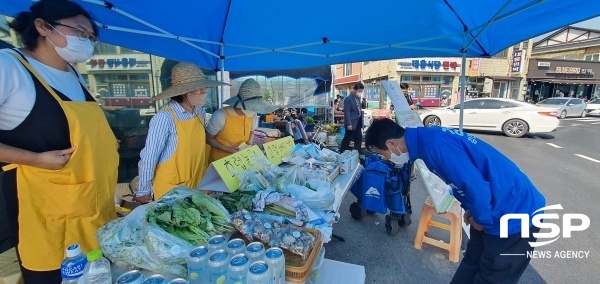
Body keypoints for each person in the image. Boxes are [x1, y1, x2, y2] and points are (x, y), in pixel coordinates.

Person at [0, 0, 118, 282]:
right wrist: (37, 159)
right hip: (47, 210)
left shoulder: (75, 75)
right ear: (42, 26)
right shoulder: (10, 66)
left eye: (90, 37)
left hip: (93, 206)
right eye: (79, 31)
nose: (86, 41)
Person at [365, 119, 546, 284]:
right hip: (492, 204)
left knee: (493, 276)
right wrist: (472, 209)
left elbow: (476, 186)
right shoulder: (428, 139)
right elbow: (462, 182)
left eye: (383, 153)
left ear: (391, 143)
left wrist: (481, 219)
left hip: (515, 210)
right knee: (472, 261)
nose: (386, 158)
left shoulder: (433, 147)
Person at [134, 63, 225, 202]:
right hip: (173, 191)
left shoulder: (199, 111)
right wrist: (143, 190)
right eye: (198, 88)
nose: (204, 91)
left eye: (204, 87)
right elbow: (149, 157)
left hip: (198, 184)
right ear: (184, 92)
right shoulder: (164, 117)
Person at [207, 78, 277, 162]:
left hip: (241, 159)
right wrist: (228, 149)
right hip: (221, 161)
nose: (253, 110)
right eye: (251, 106)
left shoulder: (252, 115)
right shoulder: (220, 116)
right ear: (240, 103)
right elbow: (209, 139)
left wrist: (249, 145)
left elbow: (251, 131)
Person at [340, 83, 364, 152]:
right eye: (359, 91)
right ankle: (342, 151)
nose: (360, 93)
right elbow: (346, 112)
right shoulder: (348, 99)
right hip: (351, 122)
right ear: (355, 90)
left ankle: (357, 153)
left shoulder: (358, 98)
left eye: (361, 92)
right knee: (348, 138)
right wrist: (349, 124)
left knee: (358, 138)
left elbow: (358, 109)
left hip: (358, 121)